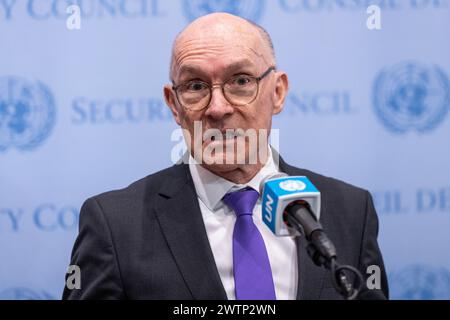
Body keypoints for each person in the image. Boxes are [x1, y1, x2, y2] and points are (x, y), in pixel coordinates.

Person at [63, 12, 388, 300]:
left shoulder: (350, 210)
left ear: (277, 92)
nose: (218, 108)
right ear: (174, 105)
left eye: (241, 81)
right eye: (195, 86)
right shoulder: (115, 225)